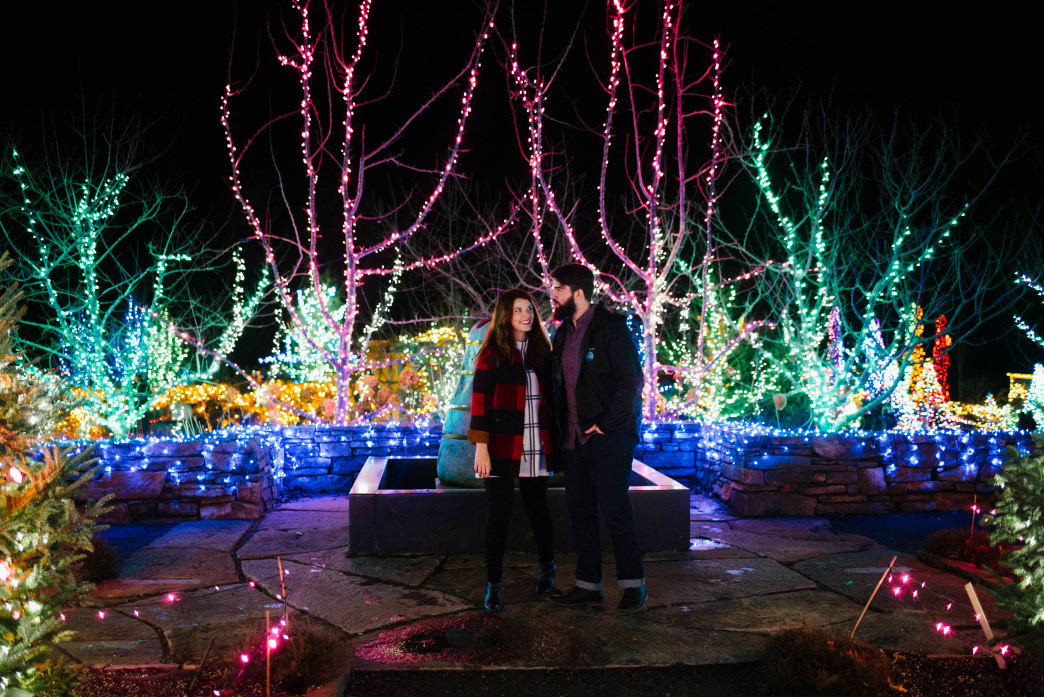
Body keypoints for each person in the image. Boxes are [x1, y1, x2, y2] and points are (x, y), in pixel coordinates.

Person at [546, 263, 646, 612]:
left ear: (577, 291)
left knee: (615, 509)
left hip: (609, 437)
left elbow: (631, 380)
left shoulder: (611, 328)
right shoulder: (562, 334)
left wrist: (607, 424)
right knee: (581, 512)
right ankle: (588, 585)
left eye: (557, 288)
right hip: (573, 441)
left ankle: (633, 586)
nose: (552, 294)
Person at [468, 288, 556, 612]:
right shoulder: (491, 354)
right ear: (506, 315)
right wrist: (481, 448)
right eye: (518, 310)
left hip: (536, 446)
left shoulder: (543, 353)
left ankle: (548, 568)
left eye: (529, 309)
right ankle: (494, 585)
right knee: (499, 516)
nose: (526, 315)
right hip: (503, 446)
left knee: (539, 511)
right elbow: (480, 404)